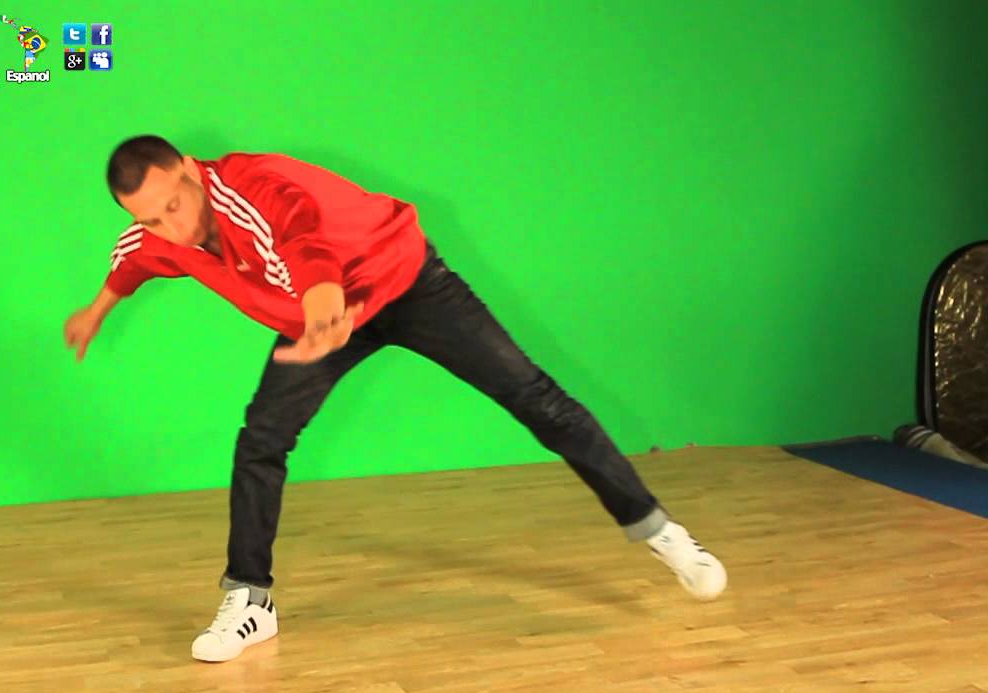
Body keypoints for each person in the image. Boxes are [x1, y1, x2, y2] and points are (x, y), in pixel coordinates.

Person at [64, 135, 727, 663]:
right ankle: (250, 602)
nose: (171, 227)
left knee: (535, 398)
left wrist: (323, 299)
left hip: (402, 282)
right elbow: (135, 260)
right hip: (323, 322)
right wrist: (97, 310)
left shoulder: (251, 190)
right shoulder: (159, 232)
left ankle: (662, 533)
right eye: (151, 217)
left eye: (173, 206)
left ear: (189, 169)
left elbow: (300, 232)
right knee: (261, 438)